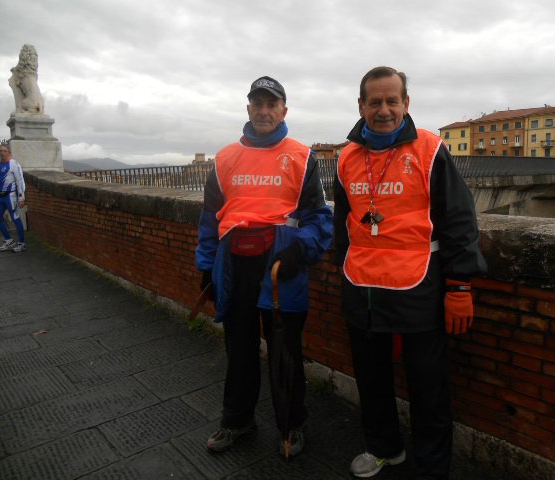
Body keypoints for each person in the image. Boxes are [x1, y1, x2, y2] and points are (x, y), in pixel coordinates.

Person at [333, 66, 487, 479]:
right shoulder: (346, 158)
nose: (383, 110)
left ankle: (432, 469)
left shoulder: (430, 149)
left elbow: (459, 220)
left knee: (427, 387)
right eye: (375, 102)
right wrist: (340, 271)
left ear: (406, 103)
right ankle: (384, 447)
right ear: (361, 105)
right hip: (362, 287)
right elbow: (341, 224)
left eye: (392, 101)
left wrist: (459, 286)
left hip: (418, 287)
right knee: (371, 380)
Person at [195, 76, 333, 457]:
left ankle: (291, 425)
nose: (264, 111)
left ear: (284, 111)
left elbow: (320, 218)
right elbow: (209, 219)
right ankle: (237, 420)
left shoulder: (302, 157)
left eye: (272, 104)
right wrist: (206, 267)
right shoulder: (224, 159)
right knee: (239, 349)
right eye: (258, 103)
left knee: (284, 352)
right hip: (234, 266)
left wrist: (299, 251)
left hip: (279, 266)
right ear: (248, 109)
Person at [0, 141, 27, 253]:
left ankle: (21, 243)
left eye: (4, 151)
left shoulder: (14, 164)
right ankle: (8, 240)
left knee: (16, 219)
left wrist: (21, 197)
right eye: (0, 151)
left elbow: (20, 181)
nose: (2, 153)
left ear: (9, 152)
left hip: (10, 196)